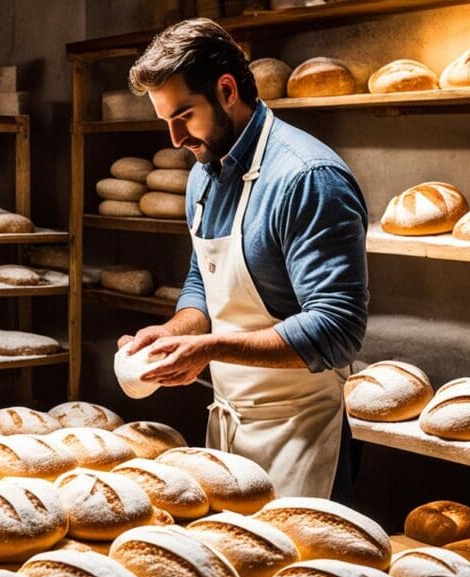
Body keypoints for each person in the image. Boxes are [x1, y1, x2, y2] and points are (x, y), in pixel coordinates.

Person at [117, 18, 369, 500]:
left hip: (304, 436)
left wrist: (210, 349)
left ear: (227, 90)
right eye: (165, 121)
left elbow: (338, 331)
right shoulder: (204, 172)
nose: (174, 139)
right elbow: (202, 281)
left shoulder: (306, 178)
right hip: (229, 433)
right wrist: (177, 332)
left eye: (184, 116)